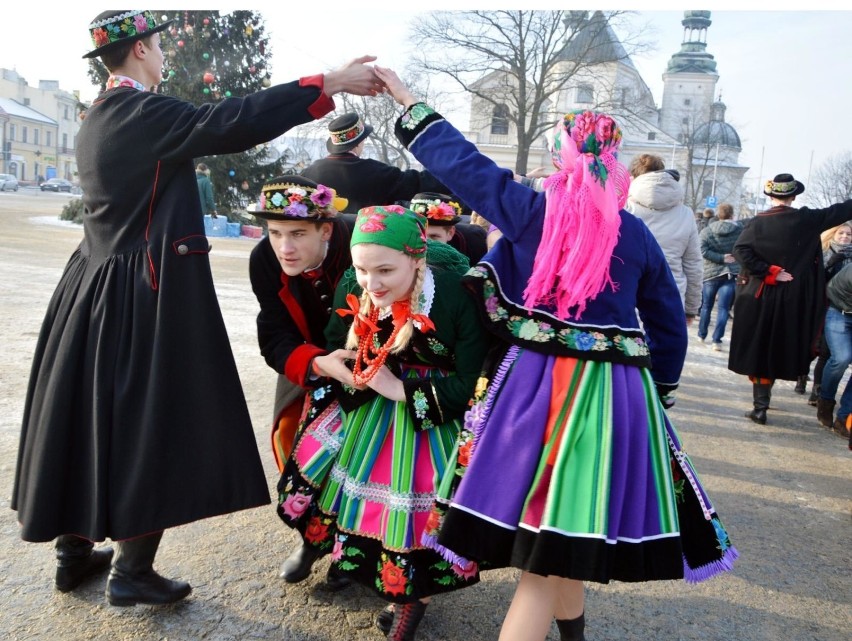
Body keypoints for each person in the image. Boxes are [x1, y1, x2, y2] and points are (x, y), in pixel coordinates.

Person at [10, 9, 383, 607]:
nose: (163, 58)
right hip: (142, 289)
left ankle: (73, 553)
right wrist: (326, 84)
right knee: (148, 422)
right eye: (157, 47)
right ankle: (131, 572)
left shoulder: (97, 117)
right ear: (140, 52)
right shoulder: (141, 110)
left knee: (90, 413)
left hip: (93, 283)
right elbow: (227, 122)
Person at [376, 67, 738, 641]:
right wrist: (660, 392)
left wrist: (409, 101)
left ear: (560, 156)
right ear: (616, 162)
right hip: (617, 396)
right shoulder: (635, 232)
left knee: (550, 540)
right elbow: (669, 326)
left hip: (534, 389)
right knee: (560, 532)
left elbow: (464, 166)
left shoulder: (533, 211)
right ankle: (573, 634)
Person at [276, 205, 489, 640]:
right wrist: (348, 369)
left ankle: (408, 601)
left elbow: (472, 382)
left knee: (413, 508)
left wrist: (398, 390)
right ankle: (320, 547)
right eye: (362, 269)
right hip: (368, 394)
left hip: (430, 408)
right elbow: (337, 343)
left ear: (417, 258)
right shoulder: (354, 286)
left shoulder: (456, 296)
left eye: (386, 271)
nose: (371, 284)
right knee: (328, 477)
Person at [248, 175, 354, 591]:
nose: (284, 247)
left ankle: (353, 549)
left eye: (296, 233)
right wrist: (318, 363)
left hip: (377, 359)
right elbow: (274, 334)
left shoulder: (359, 239)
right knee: (292, 436)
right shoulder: (264, 259)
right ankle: (310, 538)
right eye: (274, 233)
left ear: (325, 229)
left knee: (364, 451)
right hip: (311, 361)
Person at [728, 174, 852, 425]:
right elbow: (841, 210)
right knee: (777, 346)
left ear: (772, 196)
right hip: (794, 299)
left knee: (760, 348)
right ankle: (767, 402)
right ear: (794, 196)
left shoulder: (757, 222)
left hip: (759, 295)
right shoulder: (807, 219)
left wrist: (768, 272)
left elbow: (740, 251)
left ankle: (760, 406)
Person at [301, 112, 452, 215]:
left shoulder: (309, 174)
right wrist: (456, 171)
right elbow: (418, 183)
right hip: (366, 251)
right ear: (360, 142)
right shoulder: (376, 171)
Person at [625, 153, 703, 322]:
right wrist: (691, 308)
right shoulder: (686, 214)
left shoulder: (623, 207)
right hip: (670, 297)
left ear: (634, 177)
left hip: (628, 296)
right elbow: (693, 264)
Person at [807, 222, 852, 404]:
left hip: (840, 307)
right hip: (822, 306)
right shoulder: (824, 252)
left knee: (828, 352)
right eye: (841, 233)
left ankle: (819, 391)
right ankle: (806, 380)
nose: (844, 237)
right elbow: (812, 278)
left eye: (848, 235)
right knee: (817, 349)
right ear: (833, 234)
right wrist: (829, 265)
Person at [697, 202, 742, 351]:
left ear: (718, 214)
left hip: (710, 273)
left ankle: (702, 334)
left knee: (706, 306)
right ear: (732, 214)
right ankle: (717, 340)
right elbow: (744, 249)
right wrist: (729, 258)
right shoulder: (740, 231)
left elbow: (702, 250)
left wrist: (719, 257)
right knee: (723, 308)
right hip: (730, 273)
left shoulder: (707, 231)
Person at [407, 191, 488, 262]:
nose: (425, 244)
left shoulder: (475, 244)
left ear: (450, 233)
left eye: (434, 236)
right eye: (418, 235)